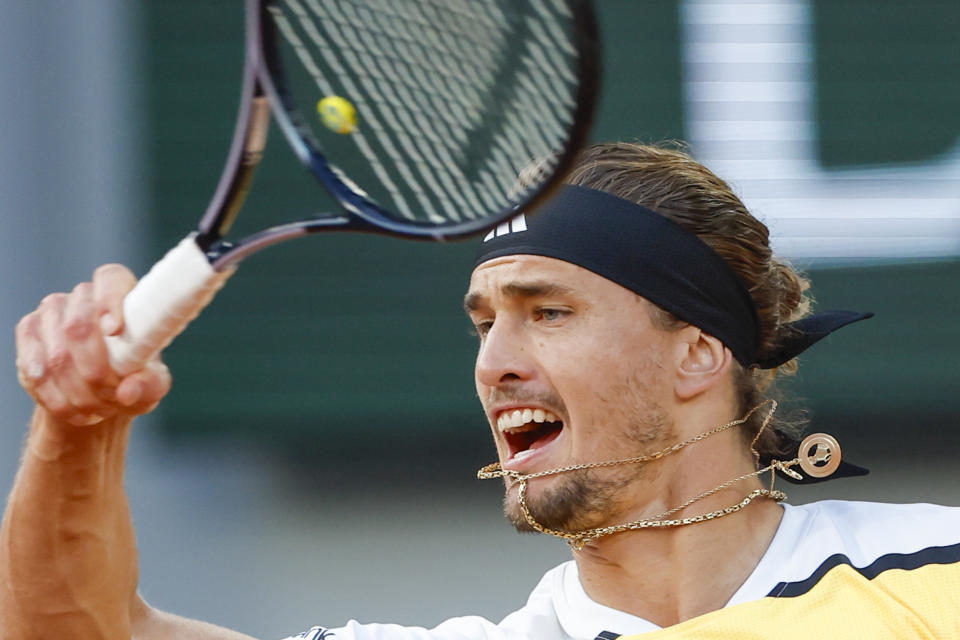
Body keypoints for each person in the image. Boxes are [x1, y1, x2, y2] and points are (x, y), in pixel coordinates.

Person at [3, 142, 958, 639]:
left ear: (698, 353)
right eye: (482, 320)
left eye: (546, 312)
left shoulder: (935, 574)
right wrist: (74, 429)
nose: (493, 360)